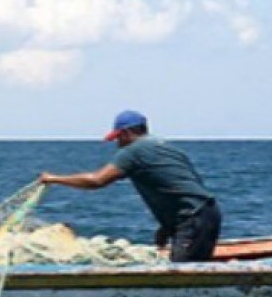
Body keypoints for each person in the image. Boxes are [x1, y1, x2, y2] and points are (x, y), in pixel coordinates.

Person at [38, 110, 222, 262]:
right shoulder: (167, 148)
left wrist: (54, 179)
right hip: (207, 212)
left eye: (118, 138)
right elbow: (182, 186)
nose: (118, 144)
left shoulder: (134, 151)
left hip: (192, 218)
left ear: (126, 133)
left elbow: (97, 180)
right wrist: (167, 226)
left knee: (183, 274)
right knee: (193, 265)